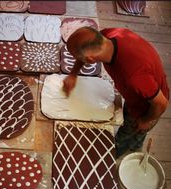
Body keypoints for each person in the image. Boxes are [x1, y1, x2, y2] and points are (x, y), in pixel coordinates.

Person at [63, 27, 169, 157]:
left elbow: (161, 104)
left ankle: (116, 152)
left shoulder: (134, 76)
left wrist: (146, 120)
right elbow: (84, 53)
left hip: (148, 107)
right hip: (140, 92)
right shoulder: (107, 36)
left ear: (90, 60)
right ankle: (136, 145)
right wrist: (73, 74)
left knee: (130, 131)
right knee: (137, 131)